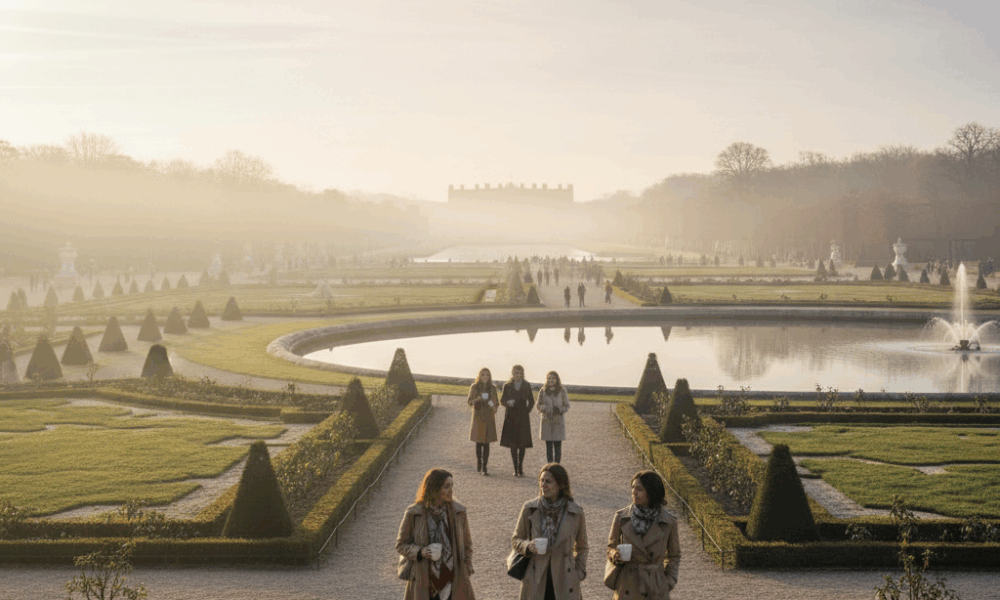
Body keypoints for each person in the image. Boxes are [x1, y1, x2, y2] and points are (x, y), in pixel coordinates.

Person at [511, 463, 588, 600]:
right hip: (536, 577)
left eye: (548, 481)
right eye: (541, 481)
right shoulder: (530, 508)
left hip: (565, 578)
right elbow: (516, 540)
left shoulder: (576, 512)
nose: (543, 485)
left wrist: (578, 573)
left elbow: (582, 547)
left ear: (561, 485)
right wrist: (528, 546)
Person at [397, 468, 476, 600]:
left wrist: (466, 567)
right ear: (434, 488)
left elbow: (467, 545)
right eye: (446, 487)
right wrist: (420, 551)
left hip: (453, 579)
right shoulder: (413, 513)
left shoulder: (459, 512)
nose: (451, 490)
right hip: (424, 579)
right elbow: (401, 545)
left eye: (452, 486)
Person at [606, 471, 681, 600]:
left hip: (656, 587)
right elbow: (611, 546)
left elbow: (674, 555)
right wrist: (615, 555)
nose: (634, 492)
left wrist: (668, 581)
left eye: (639, 489)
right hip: (628, 584)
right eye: (633, 487)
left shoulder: (668, 521)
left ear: (651, 491)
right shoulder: (621, 517)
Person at [500, 365, 535, 477]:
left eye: (519, 373)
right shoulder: (507, 385)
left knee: (522, 444)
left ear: (522, 373)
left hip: (523, 417)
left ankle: (520, 467)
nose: (517, 375)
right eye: (515, 373)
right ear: (512, 373)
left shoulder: (526, 385)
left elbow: (532, 401)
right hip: (511, 417)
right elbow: (502, 400)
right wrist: (507, 403)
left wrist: (527, 411)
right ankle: (516, 468)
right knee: (513, 444)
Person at [468, 367, 498, 476]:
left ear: (490, 376)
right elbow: (469, 401)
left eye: (487, 375)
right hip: (478, 416)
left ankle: (484, 467)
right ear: (479, 376)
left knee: (486, 443)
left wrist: (491, 404)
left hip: (489, 417)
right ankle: (479, 463)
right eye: (483, 375)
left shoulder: (492, 388)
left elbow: (496, 403)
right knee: (478, 442)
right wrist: (478, 399)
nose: (485, 377)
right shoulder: (474, 387)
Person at [536, 371, 569, 463]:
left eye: (553, 378)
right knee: (549, 447)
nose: (551, 380)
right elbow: (538, 405)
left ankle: (557, 466)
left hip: (558, 422)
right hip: (547, 421)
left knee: (558, 447)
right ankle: (550, 466)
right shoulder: (543, 391)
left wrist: (560, 410)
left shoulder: (562, 391)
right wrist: (543, 408)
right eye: (549, 378)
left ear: (557, 379)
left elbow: (567, 405)